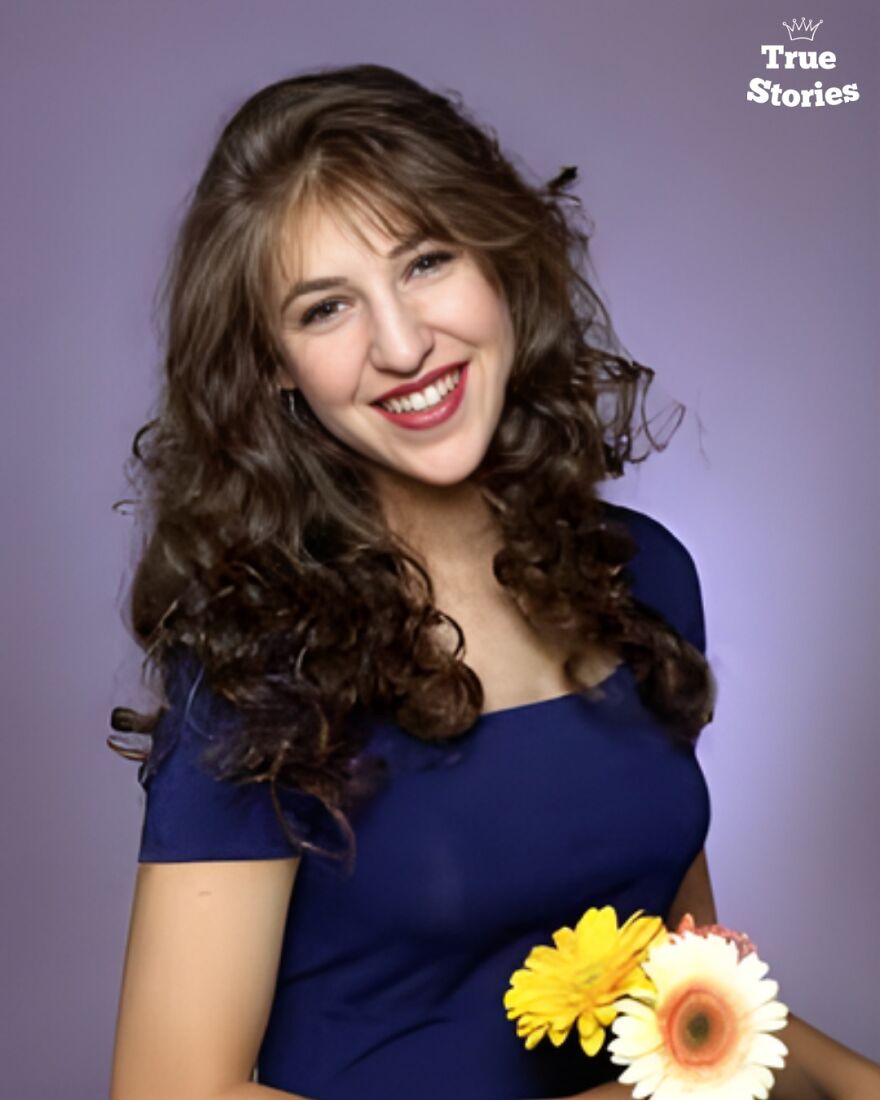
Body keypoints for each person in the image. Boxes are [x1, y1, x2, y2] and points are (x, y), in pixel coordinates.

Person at [109, 64, 879, 1100]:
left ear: (497, 253)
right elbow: (169, 1093)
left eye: (425, 261)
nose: (402, 344)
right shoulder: (259, 664)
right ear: (275, 364)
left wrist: (851, 1080)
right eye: (326, 306)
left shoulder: (641, 572)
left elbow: (696, 1004)